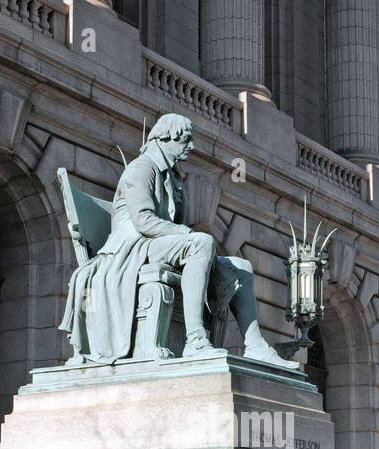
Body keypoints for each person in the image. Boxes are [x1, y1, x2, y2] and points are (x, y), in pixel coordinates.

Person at [61, 113, 298, 369]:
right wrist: (186, 234)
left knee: (241, 267)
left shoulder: (172, 176)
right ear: (166, 138)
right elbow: (143, 221)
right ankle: (195, 340)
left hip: (155, 245)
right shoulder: (141, 169)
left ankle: (255, 345)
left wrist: (184, 234)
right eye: (186, 140)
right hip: (133, 249)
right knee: (201, 243)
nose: (191, 147)